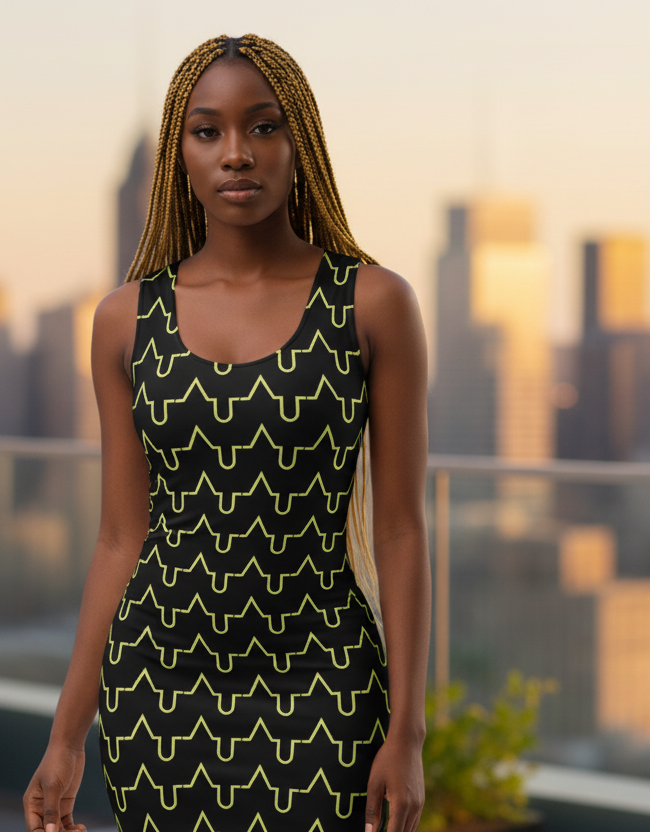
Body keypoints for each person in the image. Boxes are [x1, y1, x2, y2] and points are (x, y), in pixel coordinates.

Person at [24, 33, 430, 832]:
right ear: (180, 156)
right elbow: (119, 538)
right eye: (208, 131)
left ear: (300, 143)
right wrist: (67, 736)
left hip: (323, 685)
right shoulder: (124, 320)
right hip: (156, 691)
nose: (237, 153)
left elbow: (401, 530)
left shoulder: (373, 303)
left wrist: (408, 732)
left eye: (263, 127)